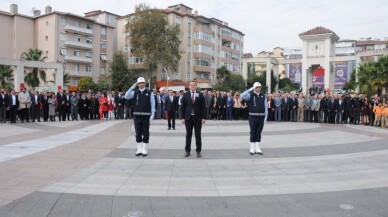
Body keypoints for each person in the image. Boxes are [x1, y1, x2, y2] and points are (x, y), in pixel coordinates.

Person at [124, 77, 155, 157]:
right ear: (137, 84)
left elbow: (153, 103)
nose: (141, 84)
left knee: (146, 133)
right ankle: (139, 149)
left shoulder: (149, 92)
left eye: (142, 83)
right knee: (138, 133)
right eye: (139, 83)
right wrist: (132, 87)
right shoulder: (134, 92)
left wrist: (153, 114)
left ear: (144, 83)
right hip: (137, 115)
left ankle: (144, 149)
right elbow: (126, 96)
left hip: (146, 116)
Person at [240, 82, 268, 155]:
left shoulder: (263, 96)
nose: (258, 88)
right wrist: (250, 89)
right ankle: (252, 148)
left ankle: (257, 148)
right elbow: (242, 95)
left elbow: (265, 107)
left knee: (259, 132)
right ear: (254, 88)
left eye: (259, 87)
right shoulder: (250, 95)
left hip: (261, 116)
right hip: (252, 116)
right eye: (257, 87)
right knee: (253, 132)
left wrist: (266, 117)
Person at [180, 81, 206, 158]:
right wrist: (182, 117)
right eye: (191, 85)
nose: (193, 86)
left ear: (196, 86)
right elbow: (182, 107)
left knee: (198, 135)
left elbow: (203, 107)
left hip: (198, 118)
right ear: (189, 86)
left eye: (194, 85)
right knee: (188, 135)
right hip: (188, 118)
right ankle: (187, 151)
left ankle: (198, 151)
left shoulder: (200, 95)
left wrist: (204, 117)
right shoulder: (185, 94)